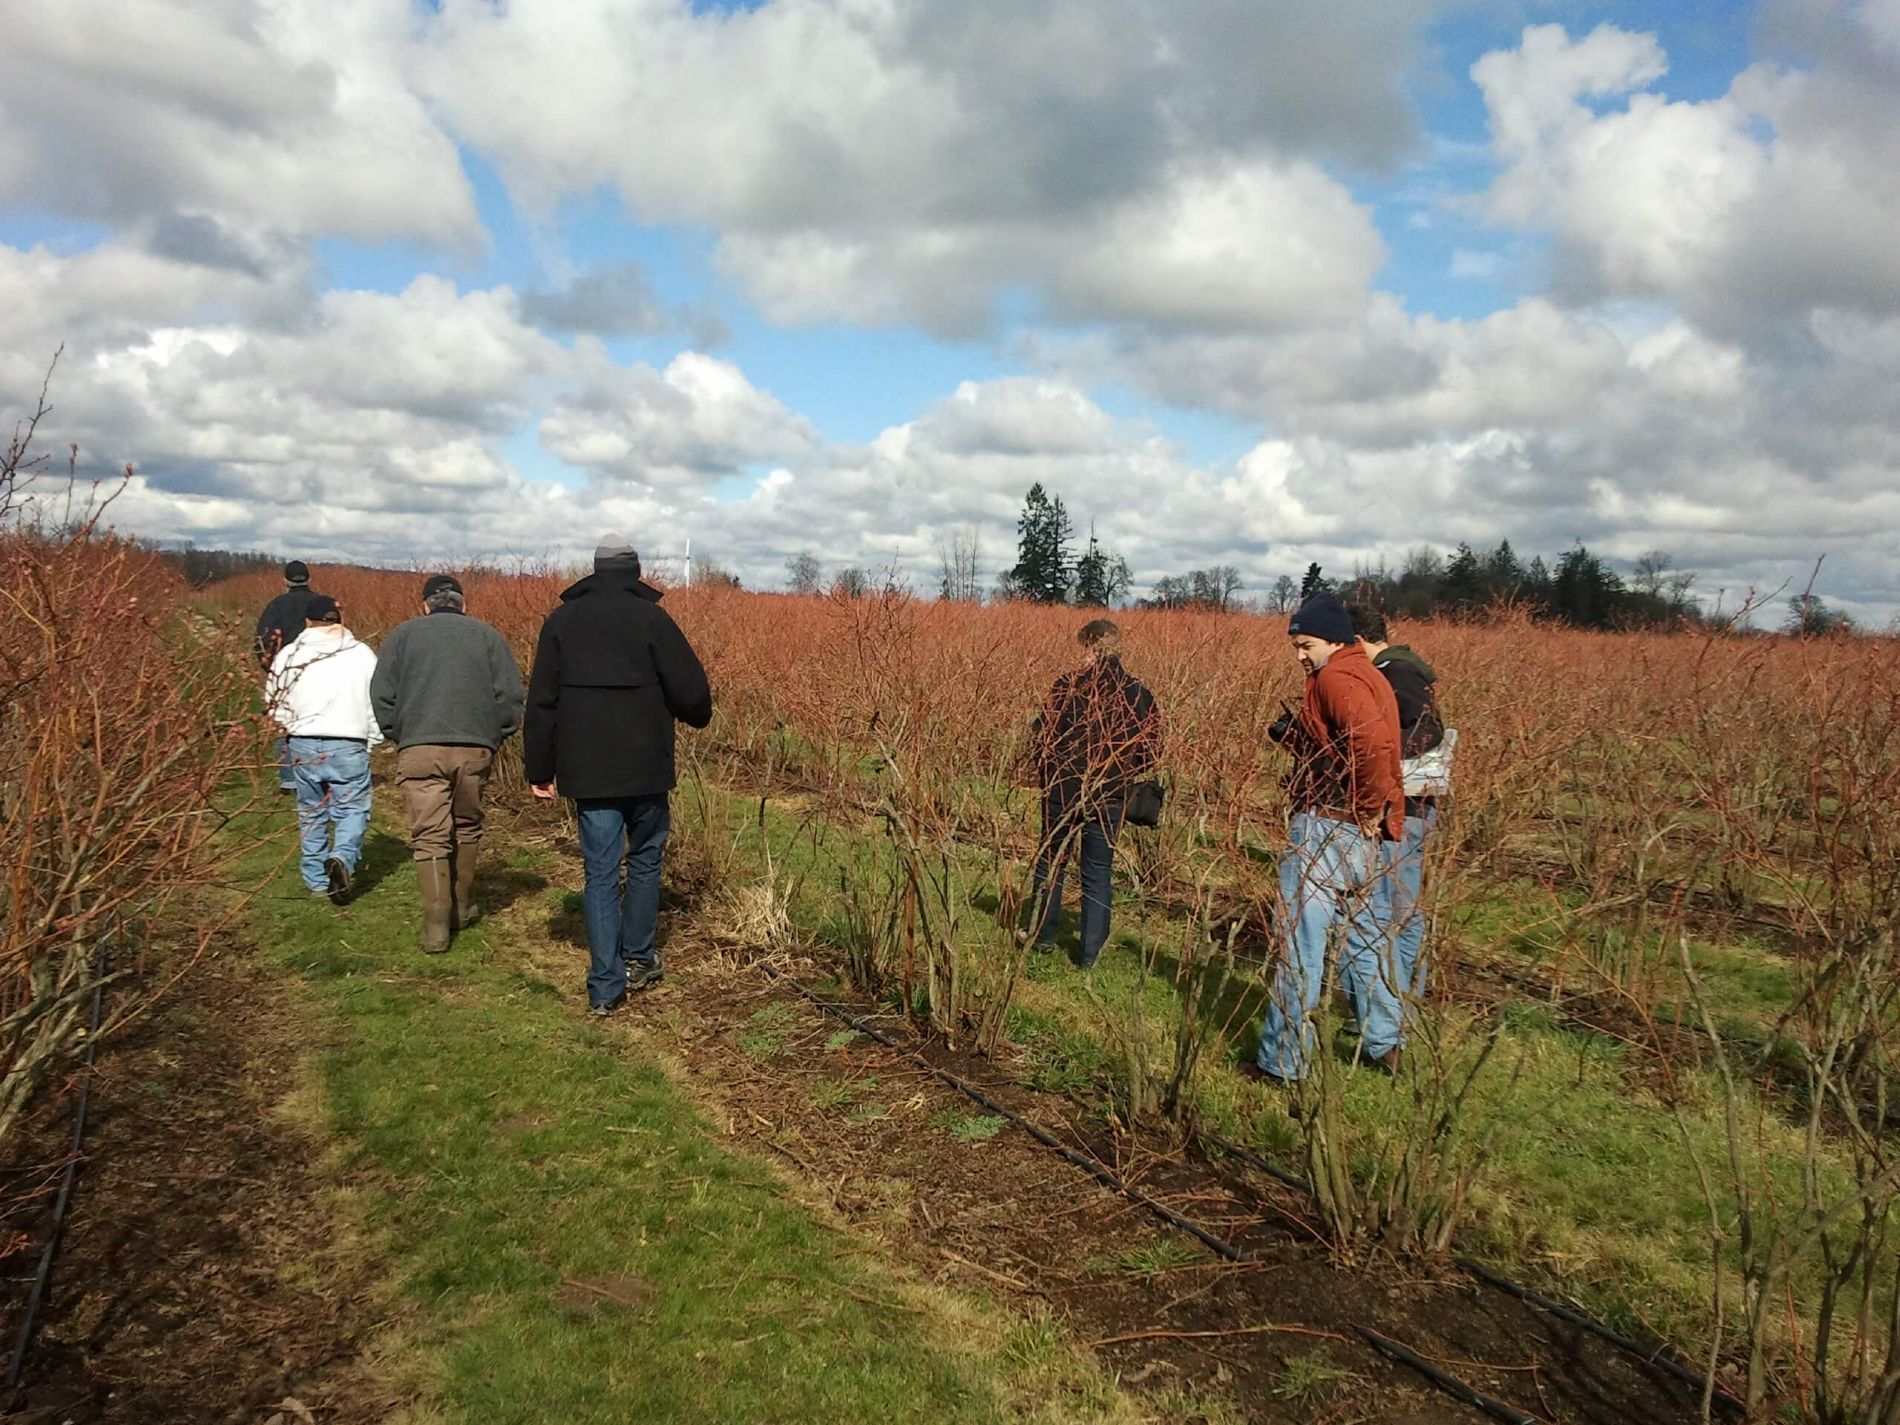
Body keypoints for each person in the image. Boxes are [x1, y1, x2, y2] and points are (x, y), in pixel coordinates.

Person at [524, 537, 712, 1016]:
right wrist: (691, 713)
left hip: (589, 774)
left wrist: (539, 768)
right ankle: (638, 957)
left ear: (594, 571)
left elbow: (543, 702)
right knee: (646, 861)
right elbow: (692, 693)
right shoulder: (653, 620)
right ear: (635, 573)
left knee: (601, 873)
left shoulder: (561, 622)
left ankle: (606, 986)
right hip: (646, 769)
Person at [1245, 590, 1405, 1082]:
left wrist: (1364, 804)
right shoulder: (1369, 675)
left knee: (1300, 945)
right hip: (1358, 834)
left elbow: (1372, 743)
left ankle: (1282, 1061)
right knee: (1361, 939)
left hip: (1327, 827)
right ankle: (1384, 1041)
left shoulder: (1335, 676)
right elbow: (1350, 743)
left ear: (1335, 640)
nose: (1300, 655)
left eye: (1306, 644)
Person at [371, 574, 525, 954]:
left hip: (419, 745)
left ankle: (436, 928)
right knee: (468, 825)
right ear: (463, 604)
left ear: (425, 605)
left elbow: (381, 694)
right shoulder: (488, 636)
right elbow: (510, 696)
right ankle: (460, 908)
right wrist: (496, 735)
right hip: (474, 746)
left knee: (429, 834)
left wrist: (399, 734)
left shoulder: (402, 636)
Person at [1026, 619, 1163, 969]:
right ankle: (1090, 955)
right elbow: (1150, 750)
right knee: (1098, 872)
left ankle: (1042, 937)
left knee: (1052, 861)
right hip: (1110, 795)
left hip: (1062, 790)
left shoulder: (1065, 687)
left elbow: (1042, 736)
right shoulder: (1138, 694)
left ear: (1089, 648)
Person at [1346, 602, 1452, 1000]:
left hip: (1406, 807)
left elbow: (1429, 730)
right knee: (1400, 905)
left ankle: (1391, 997)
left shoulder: (1398, 673)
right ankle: (1404, 993)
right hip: (1411, 804)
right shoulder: (1398, 670)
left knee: (1388, 907)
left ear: (1356, 641)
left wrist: (1377, 753)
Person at [266, 594, 381, 903]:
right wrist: (373, 736)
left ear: (308, 622)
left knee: (311, 812)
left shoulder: (290, 654)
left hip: (303, 742)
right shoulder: (362, 655)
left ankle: (316, 879)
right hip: (348, 742)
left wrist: (288, 728)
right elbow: (377, 699)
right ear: (339, 620)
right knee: (353, 808)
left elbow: (274, 701)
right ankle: (342, 857)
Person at [255, 560, 323, 794]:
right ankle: (319, 775)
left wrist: (272, 669)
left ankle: (289, 781)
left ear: (285, 581)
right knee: (318, 722)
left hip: (286, 673)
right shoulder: (321, 603)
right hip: (319, 670)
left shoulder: (277, 604)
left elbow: (263, 641)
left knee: (285, 724)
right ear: (309, 579)